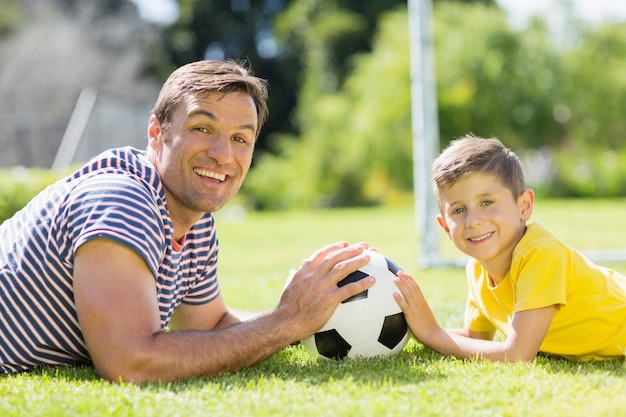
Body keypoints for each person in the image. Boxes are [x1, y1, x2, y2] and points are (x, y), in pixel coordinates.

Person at [0, 60, 374, 382]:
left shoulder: (194, 223)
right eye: (202, 128)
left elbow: (210, 326)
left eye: (240, 138)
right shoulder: (120, 199)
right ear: (156, 133)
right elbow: (130, 362)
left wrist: (309, 313)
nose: (222, 155)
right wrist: (286, 322)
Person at [394, 135, 626, 362]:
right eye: (458, 210)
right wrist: (415, 327)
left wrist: (432, 333)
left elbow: (517, 354)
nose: (473, 220)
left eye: (487, 202)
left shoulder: (542, 255)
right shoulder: (476, 269)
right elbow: (475, 338)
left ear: (524, 205)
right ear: (445, 226)